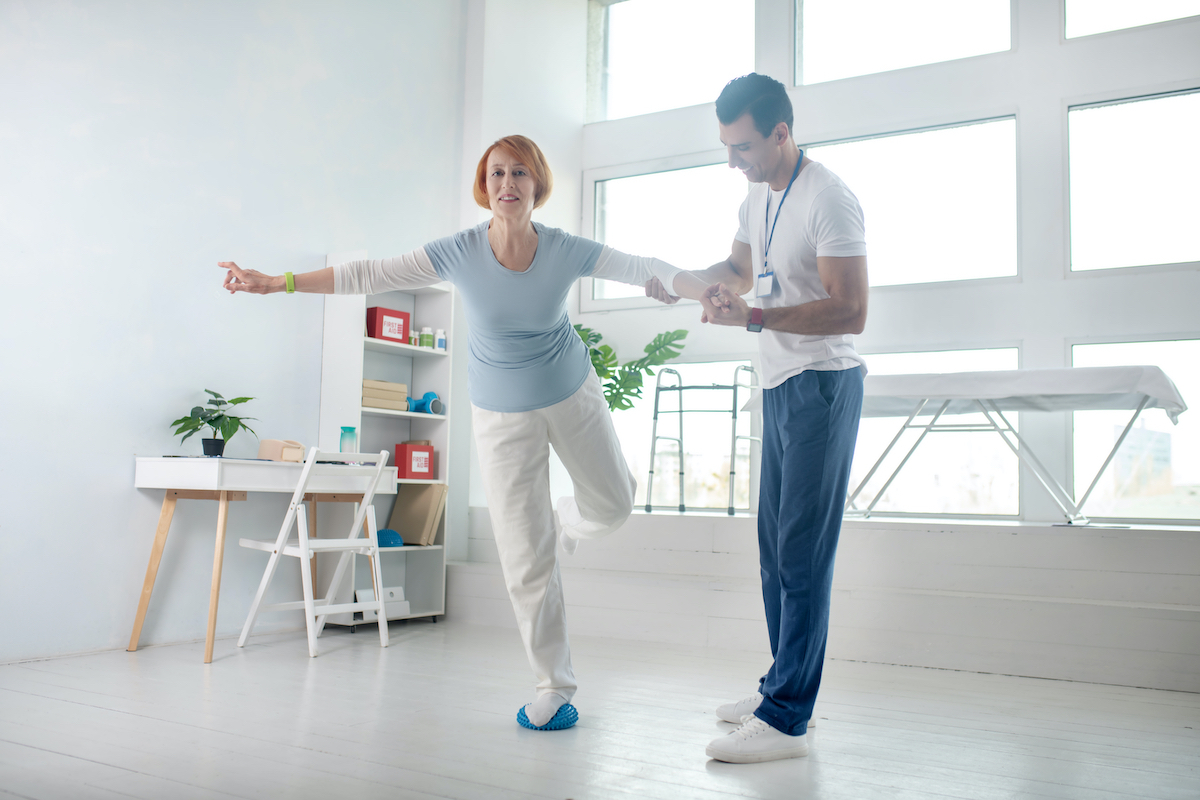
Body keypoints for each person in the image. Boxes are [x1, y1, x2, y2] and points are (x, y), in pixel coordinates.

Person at [220, 134, 712, 732]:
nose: (508, 183)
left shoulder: (562, 248)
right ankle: (553, 686)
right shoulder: (457, 251)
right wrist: (277, 283)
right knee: (524, 558)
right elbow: (368, 273)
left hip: (570, 391)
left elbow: (643, 268)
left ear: (538, 186)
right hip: (501, 412)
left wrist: (697, 287)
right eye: (497, 173)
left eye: (520, 173)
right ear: (485, 186)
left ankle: (568, 519)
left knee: (613, 505)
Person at [645, 74, 868, 763]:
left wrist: (759, 317)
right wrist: (687, 285)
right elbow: (741, 270)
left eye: (742, 147)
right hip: (778, 384)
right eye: (726, 147)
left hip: (823, 385)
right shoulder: (755, 193)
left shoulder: (828, 198)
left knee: (801, 555)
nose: (732, 161)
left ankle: (786, 719)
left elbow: (851, 308)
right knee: (775, 555)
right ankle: (782, 685)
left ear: (780, 133)